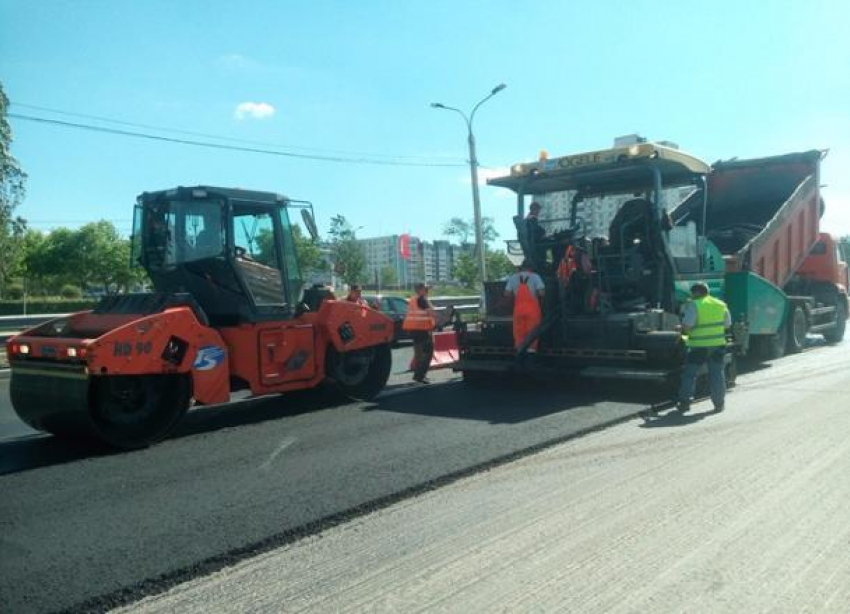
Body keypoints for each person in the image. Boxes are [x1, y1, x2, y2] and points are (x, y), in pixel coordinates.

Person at [677, 282, 732, 412]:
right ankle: (719, 404)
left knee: (690, 374)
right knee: (717, 374)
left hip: (698, 346)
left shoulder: (694, 305)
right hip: (717, 345)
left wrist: (680, 328)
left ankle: (685, 403)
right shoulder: (721, 304)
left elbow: (688, 326)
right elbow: (727, 325)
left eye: (692, 293)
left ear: (696, 293)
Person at [504, 260, 546, 355]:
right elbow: (541, 293)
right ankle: (530, 356)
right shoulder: (535, 277)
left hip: (518, 310)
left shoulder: (513, 277)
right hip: (532, 311)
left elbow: (507, 294)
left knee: (519, 333)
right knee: (532, 333)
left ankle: (519, 354)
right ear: (531, 268)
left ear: (521, 267)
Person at [402, 282, 436, 384]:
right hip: (423, 331)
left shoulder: (413, 299)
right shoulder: (422, 299)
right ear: (420, 290)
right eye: (425, 289)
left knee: (419, 354)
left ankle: (418, 376)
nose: (427, 291)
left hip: (415, 330)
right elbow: (431, 313)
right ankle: (420, 376)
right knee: (427, 353)